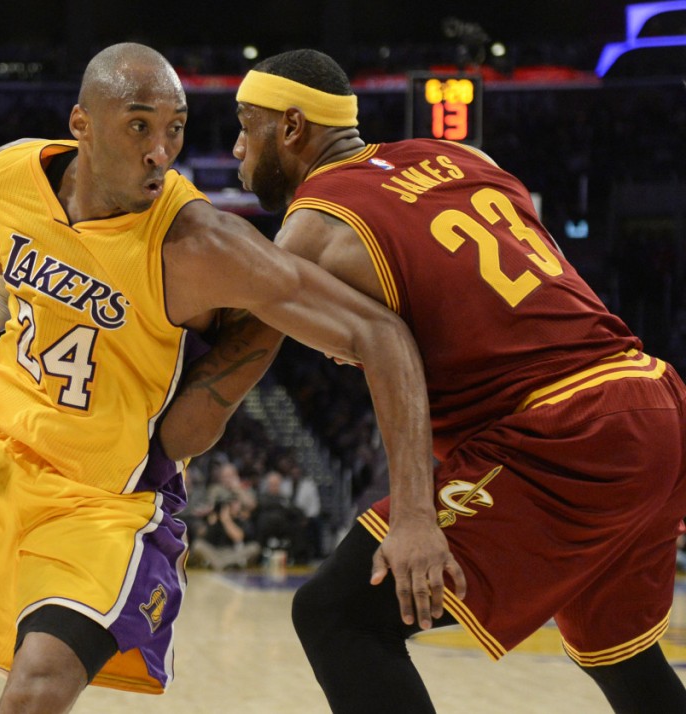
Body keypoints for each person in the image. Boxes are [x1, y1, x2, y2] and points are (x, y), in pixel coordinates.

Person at [0, 42, 433, 714]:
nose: (161, 151)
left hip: (101, 498)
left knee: (37, 688)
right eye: (139, 126)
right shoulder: (9, 176)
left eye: (175, 128)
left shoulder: (199, 243)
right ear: (81, 125)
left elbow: (379, 334)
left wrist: (217, 394)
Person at [225, 48, 686, 713]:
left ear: (291, 129)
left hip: (567, 430)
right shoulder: (469, 159)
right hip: (654, 397)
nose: (237, 145)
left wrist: (414, 515)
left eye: (246, 123)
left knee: (338, 615)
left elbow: (382, 352)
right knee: (626, 659)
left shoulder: (312, 230)